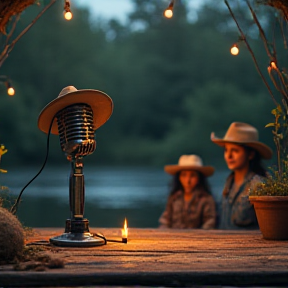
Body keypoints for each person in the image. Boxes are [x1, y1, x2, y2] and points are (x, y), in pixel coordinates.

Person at [211, 122, 273, 230]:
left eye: (235, 150)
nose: (229, 156)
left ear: (250, 154)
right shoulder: (228, 184)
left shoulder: (259, 185)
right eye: (226, 150)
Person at [159, 154, 216, 229]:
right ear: (179, 178)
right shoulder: (174, 198)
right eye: (184, 175)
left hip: (197, 238)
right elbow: (165, 221)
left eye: (192, 175)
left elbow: (209, 223)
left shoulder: (206, 199)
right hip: (173, 238)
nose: (188, 180)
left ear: (199, 178)